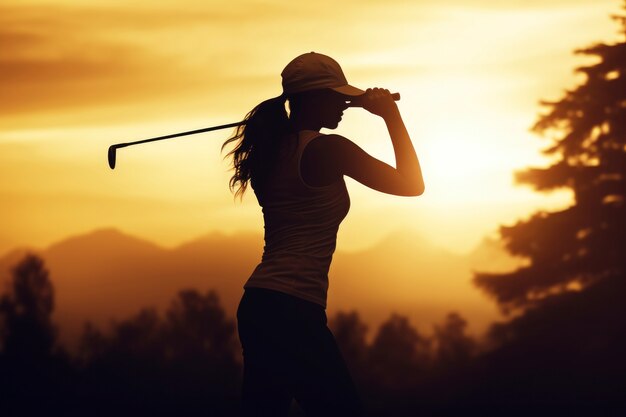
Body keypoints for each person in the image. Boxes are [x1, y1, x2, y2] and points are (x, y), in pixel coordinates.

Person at [223, 52, 425, 417]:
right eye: (337, 96)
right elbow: (412, 185)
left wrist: (353, 99)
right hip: (293, 309)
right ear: (313, 98)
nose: (345, 105)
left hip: (260, 305)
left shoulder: (271, 149)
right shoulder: (328, 149)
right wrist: (390, 116)